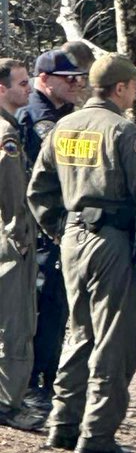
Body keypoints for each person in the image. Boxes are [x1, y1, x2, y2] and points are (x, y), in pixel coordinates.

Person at [27, 53, 136, 453]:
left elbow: (38, 191)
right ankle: (97, 433)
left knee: (78, 332)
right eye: (135, 85)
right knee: (116, 338)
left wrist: (60, 230)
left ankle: (63, 422)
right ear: (121, 88)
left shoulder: (63, 127)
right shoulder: (124, 132)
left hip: (72, 239)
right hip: (112, 242)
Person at [18, 49, 88, 413]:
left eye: (79, 78)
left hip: (60, 226)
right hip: (38, 228)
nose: (77, 84)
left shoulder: (67, 116)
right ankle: (31, 384)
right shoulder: (35, 117)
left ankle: (47, 378)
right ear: (44, 80)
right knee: (42, 305)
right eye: (68, 78)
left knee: (59, 305)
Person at [0, 59, 41, 431]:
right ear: (2, 89)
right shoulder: (6, 136)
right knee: (15, 322)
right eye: (22, 83)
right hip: (9, 243)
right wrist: (22, 239)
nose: (29, 89)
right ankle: (8, 403)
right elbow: (13, 198)